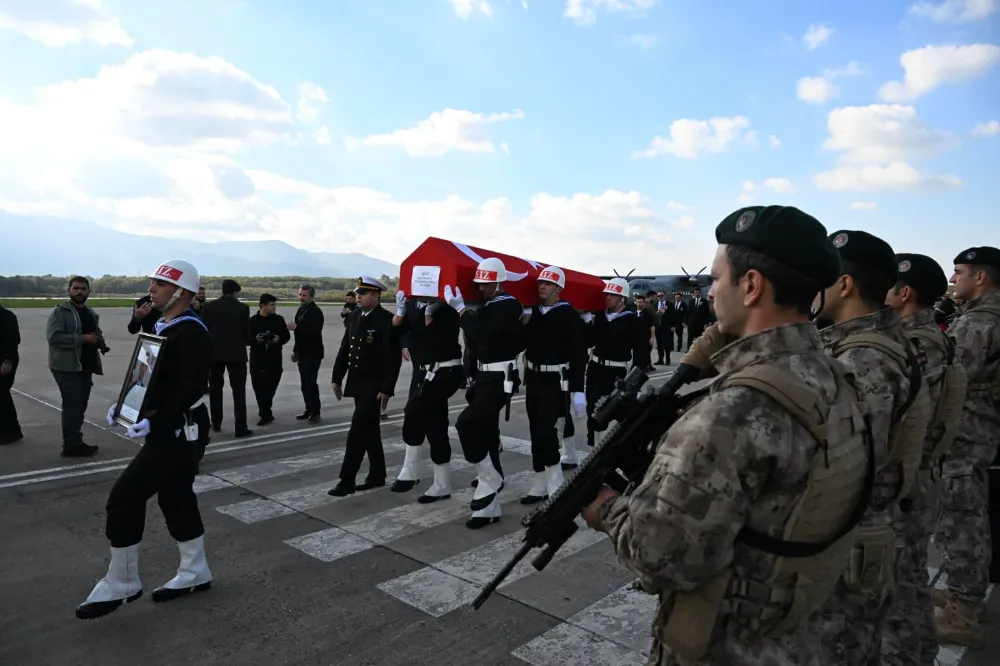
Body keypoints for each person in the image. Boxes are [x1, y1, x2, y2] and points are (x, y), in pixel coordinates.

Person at [581, 205, 874, 666]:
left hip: (734, 644)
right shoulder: (839, 375)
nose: (711, 291)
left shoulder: (731, 412)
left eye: (717, 279)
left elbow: (664, 558)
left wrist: (607, 510)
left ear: (752, 286)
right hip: (810, 628)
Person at [812, 230, 931, 664]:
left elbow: (845, 469)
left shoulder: (863, 359)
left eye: (823, 278)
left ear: (844, 285)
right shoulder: (871, 343)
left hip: (849, 542)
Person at [77, 260, 214, 620]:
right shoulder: (163, 325)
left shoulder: (192, 332)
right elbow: (148, 375)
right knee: (176, 498)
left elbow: (190, 388)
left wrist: (153, 421)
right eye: (152, 283)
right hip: (169, 425)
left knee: (124, 498)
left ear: (180, 293)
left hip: (180, 430)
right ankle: (195, 571)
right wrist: (126, 405)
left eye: (160, 285)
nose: (151, 289)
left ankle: (123, 580)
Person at [883, 252, 964, 665]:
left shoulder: (912, 345)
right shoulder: (935, 337)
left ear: (904, 293)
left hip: (907, 481)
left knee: (895, 590)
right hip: (924, 473)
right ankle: (922, 652)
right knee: (910, 581)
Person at [933, 245, 1000, 646]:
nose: (953, 279)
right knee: (963, 514)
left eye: (959, 272)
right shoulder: (983, 316)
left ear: (981, 276)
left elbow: (949, 374)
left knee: (962, 518)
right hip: (977, 428)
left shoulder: (981, 322)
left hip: (966, 430)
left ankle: (963, 611)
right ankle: (965, 593)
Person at [446, 257, 524, 529]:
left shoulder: (508, 305)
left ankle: (491, 478)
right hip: (482, 376)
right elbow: (474, 346)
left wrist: (462, 311)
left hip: (499, 377)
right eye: (478, 284)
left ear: (499, 283)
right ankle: (490, 507)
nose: (480, 289)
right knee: (488, 434)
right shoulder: (490, 305)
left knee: (466, 423)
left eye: (485, 284)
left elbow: (482, 336)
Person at [520, 266, 587, 504]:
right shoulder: (534, 313)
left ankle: (556, 482)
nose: (542, 287)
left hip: (557, 381)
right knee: (534, 432)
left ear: (558, 288)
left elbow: (579, 355)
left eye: (547, 284)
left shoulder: (568, 315)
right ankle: (540, 482)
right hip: (535, 379)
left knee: (546, 431)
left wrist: (578, 390)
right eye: (540, 283)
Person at [327, 277, 398, 496]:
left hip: (374, 385)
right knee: (370, 429)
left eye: (363, 293)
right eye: (358, 292)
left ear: (376, 296)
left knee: (357, 431)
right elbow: (344, 349)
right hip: (357, 382)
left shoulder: (387, 320)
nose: (358, 296)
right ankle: (377, 474)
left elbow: (391, 358)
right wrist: (337, 378)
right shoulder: (354, 317)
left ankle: (347, 480)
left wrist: (387, 388)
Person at [582, 277, 648, 449]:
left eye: (613, 294)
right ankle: (593, 448)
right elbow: (588, 341)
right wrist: (587, 323)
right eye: (607, 294)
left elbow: (640, 351)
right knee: (593, 409)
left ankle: (614, 448)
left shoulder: (632, 320)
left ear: (622, 298)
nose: (608, 297)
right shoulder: (600, 318)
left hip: (616, 372)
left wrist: (636, 381)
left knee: (612, 410)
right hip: (595, 368)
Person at [46, 276, 105, 457]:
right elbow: (53, 337)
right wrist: (82, 339)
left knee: (81, 404)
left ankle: (75, 440)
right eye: (76, 288)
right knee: (72, 404)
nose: (79, 292)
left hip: (84, 365)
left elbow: (94, 332)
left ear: (88, 291)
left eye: (83, 288)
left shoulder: (90, 312)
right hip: (66, 366)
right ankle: (71, 445)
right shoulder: (60, 312)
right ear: (69, 291)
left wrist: (100, 342)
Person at [200, 279, 252, 438]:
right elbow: (247, 335)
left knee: (215, 389)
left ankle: (216, 423)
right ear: (235, 292)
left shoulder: (209, 307)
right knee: (239, 392)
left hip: (214, 354)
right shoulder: (242, 308)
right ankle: (240, 427)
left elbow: (204, 330)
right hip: (236, 354)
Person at [248, 293, 291, 426]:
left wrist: (279, 339)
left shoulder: (278, 319)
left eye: (274, 305)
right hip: (258, 359)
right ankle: (265, 413)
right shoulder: (252, 321)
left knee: (272, 386)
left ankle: (265, 410)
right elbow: (245, 338)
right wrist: (256, 339)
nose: (274, 307)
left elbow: (286, 335)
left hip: (274, 359)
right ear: (262, 306)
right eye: (272, 305)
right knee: (259, 388)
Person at [288, 284, 324, 423]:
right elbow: (299, 336)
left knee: (310, 384)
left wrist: (297, 328)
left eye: (304, 295)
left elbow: (314, 333)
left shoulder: (315, 312)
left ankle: (315, 411)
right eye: (300, 295)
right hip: (302, 353)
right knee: (304, 384)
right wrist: (295, 351)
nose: (301, 298)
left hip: (313, 353)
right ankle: (308, 408)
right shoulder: (301, 309)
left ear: (311, 296)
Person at [0, 303, 22, 444]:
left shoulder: (6, 316)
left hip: (4, 361)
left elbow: (13, 341)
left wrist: (7, 361)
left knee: (2, 395)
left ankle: (11, 431)